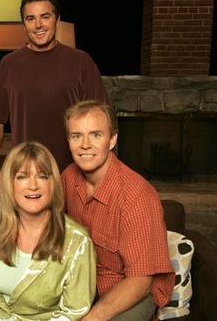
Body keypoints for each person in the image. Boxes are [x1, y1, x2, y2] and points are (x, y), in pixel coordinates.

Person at [0, 141, 96, 320]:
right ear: (10, 184)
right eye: (22, 177)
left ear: (53, 184)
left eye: (42, 176)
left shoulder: (77, 241)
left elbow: (73, 311)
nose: (33, 185)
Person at [0, 0, 108, 196]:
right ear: (24, 24)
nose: (38, 25)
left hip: (75, 173)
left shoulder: (81, 62)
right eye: (30, 19)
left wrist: (102, 171)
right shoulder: (9, 65)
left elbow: (102, 119)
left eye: (45, 17)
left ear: (57, 20)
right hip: (26, 174)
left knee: (74, 229)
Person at [62, 100, 175, 321]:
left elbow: (141, 278)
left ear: (112, 139)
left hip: (132, 287)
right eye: (77, 136)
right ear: (69, 141)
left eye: (95, 135)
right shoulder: (68, 177)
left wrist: (94, 317)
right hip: (83, 281)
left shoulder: (137, 196)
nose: (85, 144)